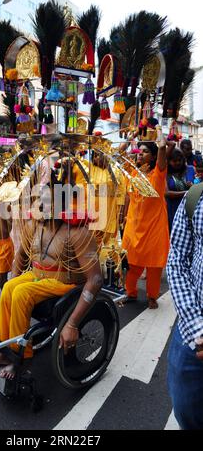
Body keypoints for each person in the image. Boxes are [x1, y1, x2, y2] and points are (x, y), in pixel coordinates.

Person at [0, 180, 103, 380]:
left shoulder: (78, 232)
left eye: (47, 202)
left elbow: (96, 279)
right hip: (37, 276)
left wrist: (71, 324)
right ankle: (4, 352)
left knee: (20, 293)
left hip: (64, 284)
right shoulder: (33, 225)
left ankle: (21, 359)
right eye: (39, 201)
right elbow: (20, 257)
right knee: (10, 287)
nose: (40, 206)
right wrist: (13, 281)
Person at [122, 137, 174, 309]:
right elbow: (118, 155)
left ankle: (152, 296)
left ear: (153, 157)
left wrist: (161, 145)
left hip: (154, 228)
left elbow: (162, 157)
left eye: (145, 151)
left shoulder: (157, 175)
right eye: (140, 151)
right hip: (134, 227)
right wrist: (131, 139)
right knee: (131, 265)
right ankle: (130, 292)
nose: (140, 154)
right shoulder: (134, 174)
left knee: (153, 266)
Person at [167, 184, 203, 430]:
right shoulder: (196, 198)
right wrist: (198, 331)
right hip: (193, 333)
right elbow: (177, 261)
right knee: (185, 406)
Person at [166, 148, 195, 232]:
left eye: (179, 160)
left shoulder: (191, 169)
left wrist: (194, 187)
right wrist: (188, 192)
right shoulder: (165, 173)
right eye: (174, 161)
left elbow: (198, 184)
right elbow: (166, 193)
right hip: (173, 207)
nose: (178, 163)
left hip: (190, 206)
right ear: (169, 161)